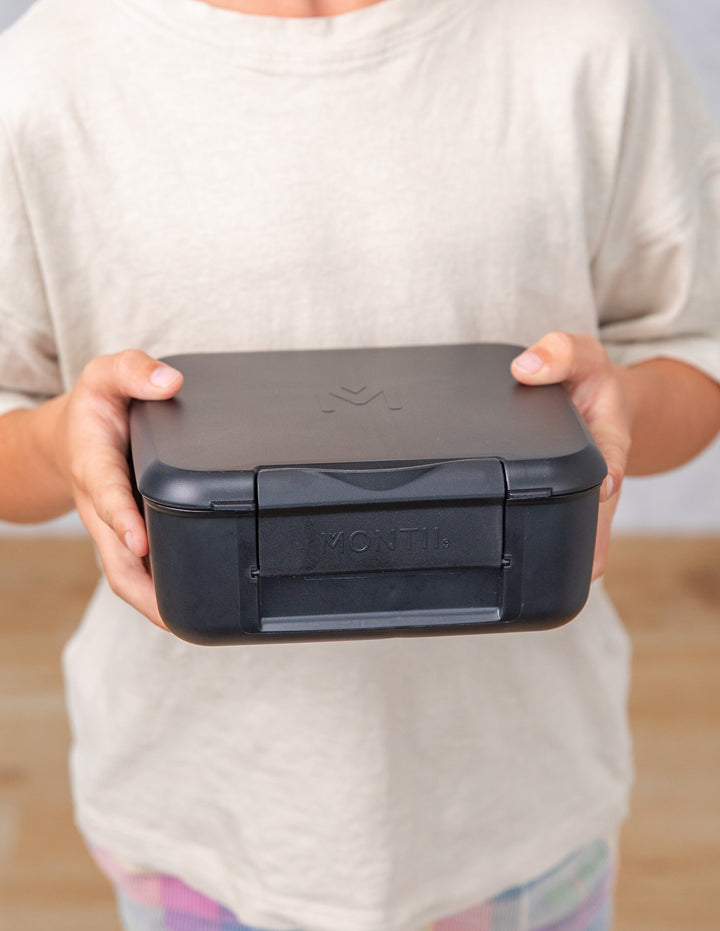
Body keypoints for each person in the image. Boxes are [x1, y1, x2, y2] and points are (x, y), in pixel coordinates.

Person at [1, 0, 719, 929]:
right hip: (201, 810)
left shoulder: (591, 41)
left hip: (516, 804)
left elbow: (696, 360)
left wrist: (615, 409)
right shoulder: (45, 76)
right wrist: (68, 437)